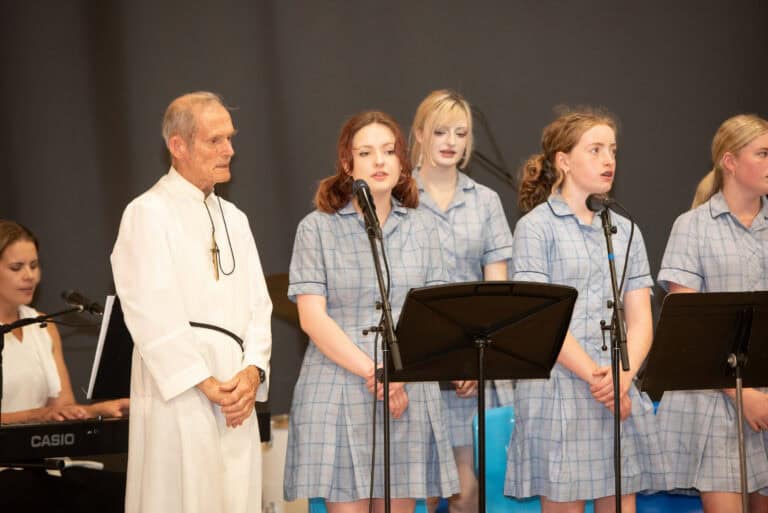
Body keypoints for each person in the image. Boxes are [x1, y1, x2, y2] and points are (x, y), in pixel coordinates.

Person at [283, 110, 459, 513]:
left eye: (388, 151)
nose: (379, 161)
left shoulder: (425, 228)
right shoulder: (317, 228)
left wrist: (399, 377)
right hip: (339, 387)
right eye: (366, 152)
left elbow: (435, 316)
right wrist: (376, 373)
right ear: (348, 164)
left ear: (402, 162)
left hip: (407, 391)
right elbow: (312, 318)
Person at [111, 91, 272, 513]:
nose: (229, 150)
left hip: (236, 390)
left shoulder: (236, 220)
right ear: (178, 146)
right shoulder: (147, 213)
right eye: (215, 140)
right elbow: (149, 311)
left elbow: (260, 306)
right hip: (182, 392)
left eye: (230, 138)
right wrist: (206, 383)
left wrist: (252, 373)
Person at [504, 109, 665, 513]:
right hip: (560, 388)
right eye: (595, 150)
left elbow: (641, 317)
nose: (609, 160)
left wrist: (623, 378)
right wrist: (600, 381)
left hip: (616, 388)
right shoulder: (536, 227)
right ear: (564, 161)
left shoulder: (624, 229)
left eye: (612, 150)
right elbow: (540, 318)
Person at [656, 114, 768, 513]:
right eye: (763, 153)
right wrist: (745, 396)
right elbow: (691, 331)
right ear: (730, 162)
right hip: (717, 401)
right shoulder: (692, 228)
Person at [409, 89, 513, 513]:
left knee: (467, 494)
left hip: (472, 371)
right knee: (418, 492)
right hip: (416, 367)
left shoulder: (486, 202)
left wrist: (472, 359)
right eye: (439, 131)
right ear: (418, 134)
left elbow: (497, 293)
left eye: (461, 132)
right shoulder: (397, 197)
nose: (451, 141)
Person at [0, 219, 129, 513]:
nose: (30, 276)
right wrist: (40, 414)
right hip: (6, 473)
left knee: (125, 492)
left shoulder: (42, 325)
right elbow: (48, 413)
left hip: (43, 466)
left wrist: (100, 410)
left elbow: (63, 409)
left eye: (34, 265)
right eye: (17, 268)